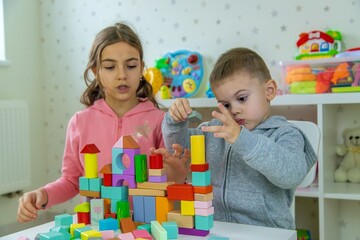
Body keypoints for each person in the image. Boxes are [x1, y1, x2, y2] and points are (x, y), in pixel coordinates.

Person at [17, 22, 165, 223]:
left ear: (141, 69)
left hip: (146, 225)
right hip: (97, 226)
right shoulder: (80, 122)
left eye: (131, 65)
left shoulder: (158, 120)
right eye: (110, 67)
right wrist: (43, 195)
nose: (122, 74)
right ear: (96, 71)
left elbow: (168, 178)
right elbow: (71, 181)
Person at [158, 47, 317, 229]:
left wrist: (242, 139)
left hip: (267, 231)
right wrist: (175, 122)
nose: (234, 110)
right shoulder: (215, 130)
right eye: (225, 104)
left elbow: (292, 175)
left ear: (270, 90)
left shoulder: (286, 133)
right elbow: (179, 149)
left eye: (241, 98)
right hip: (215, 227)